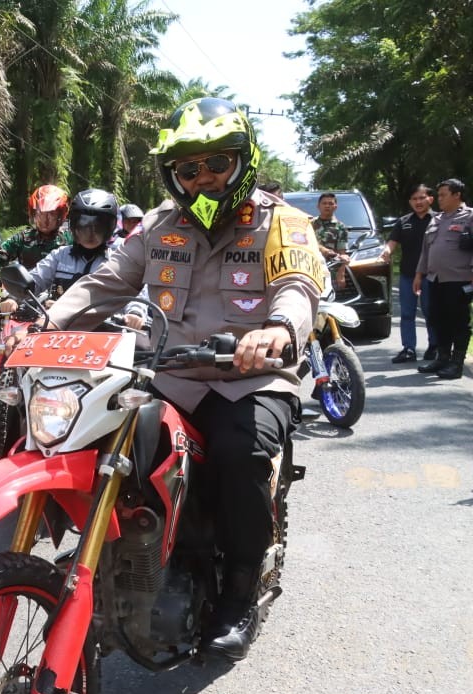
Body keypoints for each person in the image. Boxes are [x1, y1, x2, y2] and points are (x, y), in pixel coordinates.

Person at [24, 97, 322, 661]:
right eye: (190, 169)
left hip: (248, 378)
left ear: (242, 161)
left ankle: (238, 588)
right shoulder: (160, 223)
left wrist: (278, 329)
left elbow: (298, 289)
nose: (203, 178)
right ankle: (117, 560)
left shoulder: (282, 221)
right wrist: (46, 321)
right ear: (174, 174)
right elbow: (105, 284)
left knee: (241, 452)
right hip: (170, 375)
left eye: (216, 165)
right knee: (107, 438)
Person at [413, 178, 473, 380]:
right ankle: (442, 357)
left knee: (459, 321)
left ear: (457, 195)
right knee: (438, 320)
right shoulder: (436, 219)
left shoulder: (470, 217)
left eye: (443, 195)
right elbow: (426, 250)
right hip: (435, 278)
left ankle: (456, 364)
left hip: (460, 278)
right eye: (438, 195)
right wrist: (419, 275)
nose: (439, 199)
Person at [0, 185, 72, 285]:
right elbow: (0, 253)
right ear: (33, 214)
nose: (45, 220)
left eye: (51, 214)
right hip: (26, 293)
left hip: (60, 296)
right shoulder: (24, 238)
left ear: (60, 215)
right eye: (40, 214)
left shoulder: (70, 240)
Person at [381, 185, 438, 363]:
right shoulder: (404, 221)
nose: (418, 202)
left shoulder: (439, 220)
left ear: (431, 199)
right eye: (414, 199)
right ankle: (409, 349)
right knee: (407, 313)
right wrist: (386, 252)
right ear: (410, 202)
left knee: (431, 312)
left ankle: (434, 347)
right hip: (407, 275)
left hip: (432, 275)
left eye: (422, 198)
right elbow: (392, 242)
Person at [312, 192, 349, 289]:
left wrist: (341, 274)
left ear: (335, 206)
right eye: (324, 203)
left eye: (330, 203)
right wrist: (323, 249)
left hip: (330, 269)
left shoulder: (341, 227)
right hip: (310, 267)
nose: (327, 206)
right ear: (318, 206)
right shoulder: (309, 224)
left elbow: (342, 254)